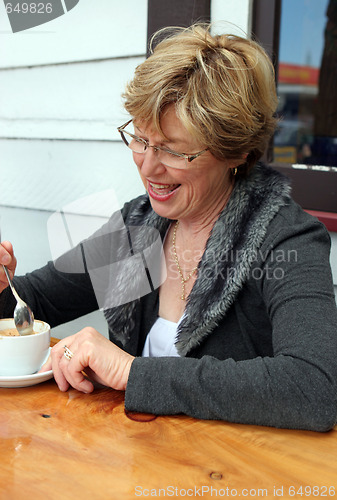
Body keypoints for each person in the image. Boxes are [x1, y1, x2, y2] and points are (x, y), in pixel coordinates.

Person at [1, 24, 337, 431]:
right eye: (140, 139)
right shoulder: (139, 228)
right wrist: (5, 288)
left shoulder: (283, 239)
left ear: (236, 151)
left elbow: (312, 388)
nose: (148, 166)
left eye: (174, 150)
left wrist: (133, 373)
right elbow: (36, 302)